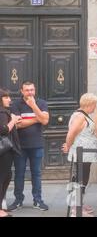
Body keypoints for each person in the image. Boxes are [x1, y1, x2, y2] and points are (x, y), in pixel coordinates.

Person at [8, 81, 49, 212]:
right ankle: (18, 200)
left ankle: (38, 200)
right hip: (19, 145)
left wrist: (34, 106)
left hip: (37, 145)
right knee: (19, 174)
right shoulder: (15, 104)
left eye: (32, 90)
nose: (30, 92)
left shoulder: (41, 103)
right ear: (22, 91)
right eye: (27, 90)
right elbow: (17, 124)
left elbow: (45, 120)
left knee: (36, 174)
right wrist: (37, 118)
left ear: (35, 90)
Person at [62, 93, 97, 217]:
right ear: (89, 104)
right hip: (81, 155)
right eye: (94, 104)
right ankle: (75, 209)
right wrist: (68, 145)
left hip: (85, 155)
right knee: (80, 180)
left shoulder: (81, 115)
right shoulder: (80, 117)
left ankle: (79, 204)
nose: (95, 107)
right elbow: (71, 134)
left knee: (82, 180)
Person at [0, 89, 21, 217]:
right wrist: (13, 119)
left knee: (6, 177)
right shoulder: (2, 112)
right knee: (3, 177)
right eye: (6, 97)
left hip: (5, 150)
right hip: (4, 150)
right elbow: (3, 130)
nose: (9, 100)